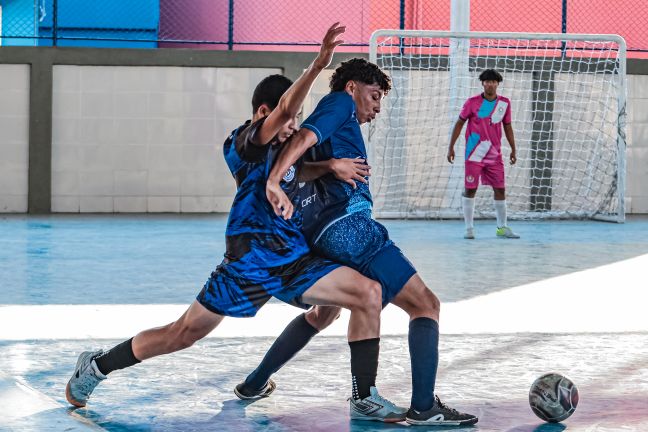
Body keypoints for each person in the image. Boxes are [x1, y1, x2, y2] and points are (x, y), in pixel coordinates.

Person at [65, 24, 404, 422]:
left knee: (358, 297)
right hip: (248, 262)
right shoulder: (246, 142)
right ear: (264, 112)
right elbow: (285, 113)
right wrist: (315, 66)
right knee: (182, 334)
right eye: (285, 117)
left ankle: (326, 390)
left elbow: (300, 170)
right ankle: (98, 365)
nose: (293, 125)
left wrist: (329, 164)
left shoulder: (286, 151)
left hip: (293, 258)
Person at [256, 58, 478, 426]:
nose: (376, 107)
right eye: (374, 96)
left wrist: (317, 169)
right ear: (352, 88)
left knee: (323, 313)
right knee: (426, 305)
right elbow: (302, 139)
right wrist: (275, 179)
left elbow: (303, 155)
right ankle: (423, 407)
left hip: (327, 234)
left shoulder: (336, 121)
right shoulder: (339, 103)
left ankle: (254, 382)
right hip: (350, 228)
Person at [447, 69, 519, 240]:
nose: (490, 84)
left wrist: (513, 149)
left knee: (500, 189)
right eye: (487, 81)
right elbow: (459, 123)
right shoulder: (472, 103)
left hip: (494, 155)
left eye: (493, 81)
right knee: (470, 189)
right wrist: (451, 147)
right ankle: (469, 228)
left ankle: (502, 227)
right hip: (474, 155)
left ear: (497, 84)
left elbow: (507, 127)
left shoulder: (504, 104)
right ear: (482, 83)